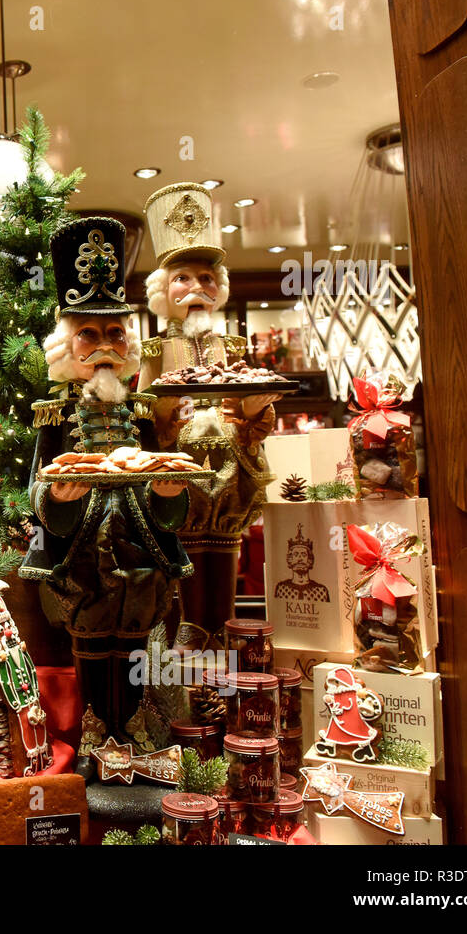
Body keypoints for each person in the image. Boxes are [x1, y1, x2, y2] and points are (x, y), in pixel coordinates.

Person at [20, 216, 192, 751]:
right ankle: (95, 730)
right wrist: (59, 501)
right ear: (66, 344)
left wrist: (168, 496)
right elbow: (38, 484)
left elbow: (163, 472)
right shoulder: (52, 412)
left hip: (140, 551)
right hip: (82, 557)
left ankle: (135, 725)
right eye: (88, 334)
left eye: (114, 333)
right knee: (93, 635)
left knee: (137, 636)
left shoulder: (141, 409)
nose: (103, 346)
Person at [135, 183, 281, 644]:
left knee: (225, 561)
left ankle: (227, 645)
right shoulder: (155, 348)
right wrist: (162, 420)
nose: (197, 286)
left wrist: (254, 417)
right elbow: (142, 412)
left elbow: (252, 416)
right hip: (179, 473)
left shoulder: (235, 347)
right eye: (183, 277)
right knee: (181, 563)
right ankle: (185, 654)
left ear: (220, 289)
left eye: (207, 277)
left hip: (230, 474)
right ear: (163, 290)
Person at [273, 524, 330, 602]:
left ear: (309, 559)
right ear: (290, 559)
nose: (300, 559)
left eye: (303, 555)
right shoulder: (282, 588)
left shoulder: (321, 590)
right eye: (296, 555)